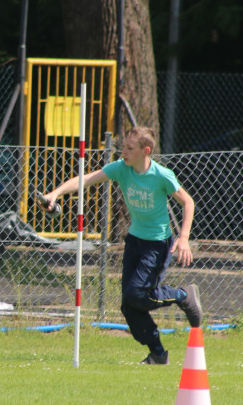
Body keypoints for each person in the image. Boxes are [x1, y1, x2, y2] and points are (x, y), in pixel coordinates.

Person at [43, 126, 202, 364]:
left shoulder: (162, 175)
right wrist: (55, 193)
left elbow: (188, 202)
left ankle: (182, 295)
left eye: (129, 148)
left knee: (137, 294)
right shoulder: (121, 168)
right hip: (134, 241)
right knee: (129, 305)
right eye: (123, 147)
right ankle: (158, 353)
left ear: (145, 151)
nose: (123, 152)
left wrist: (184, 238)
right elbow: (86, 179)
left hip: (158, 245)